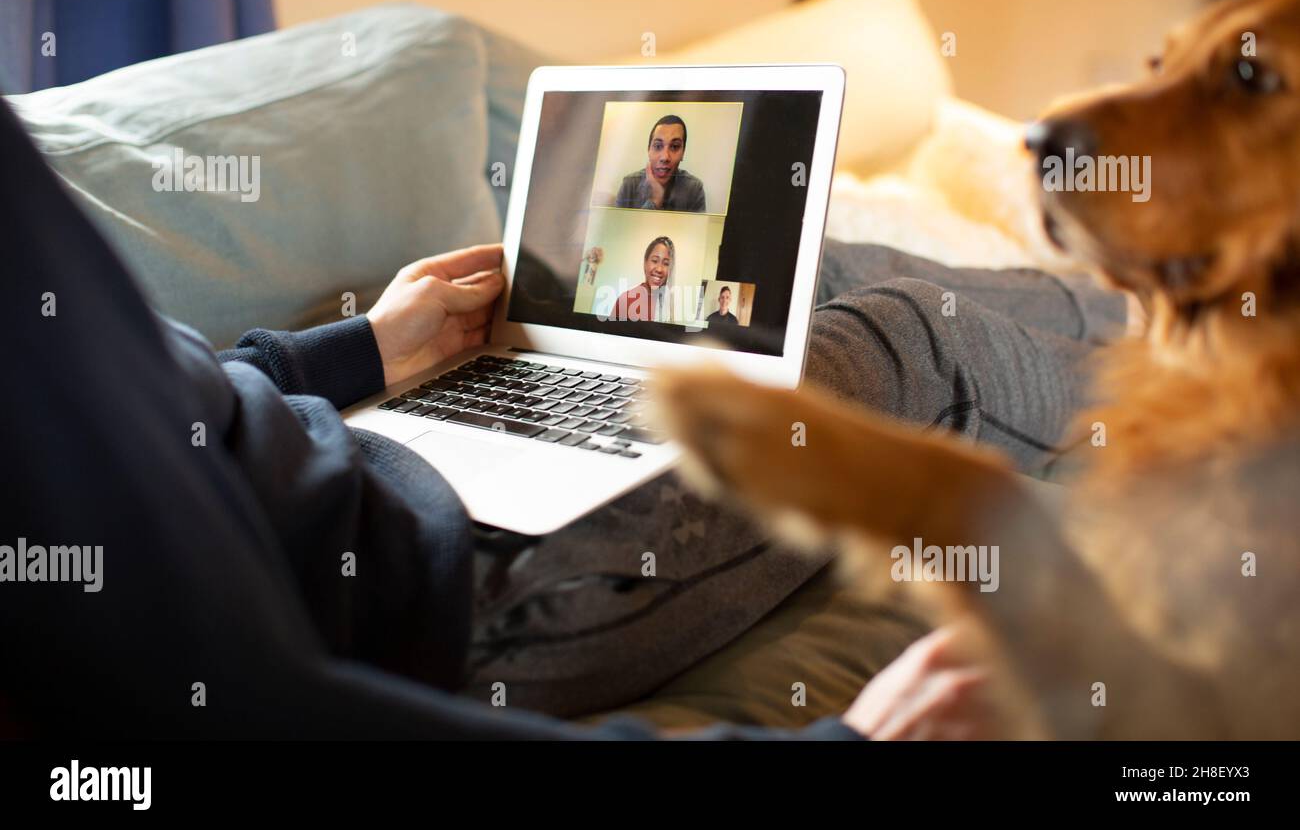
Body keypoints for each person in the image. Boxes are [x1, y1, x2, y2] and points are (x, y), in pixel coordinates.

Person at [2, 94, 1125, 738]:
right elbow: (250, 708)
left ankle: (1143, 295)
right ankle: (1190, 345)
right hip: (462, 591)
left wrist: (355, 348)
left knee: (794, 272)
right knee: (897, 338)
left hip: (391, 447)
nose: (669, 158)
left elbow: (155, 390)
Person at [613, 115, 707, 212]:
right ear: (648, 150)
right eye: (658, 146)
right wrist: (655, 201)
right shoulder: (629, 185)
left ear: (683, 153)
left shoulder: (694, 189)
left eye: (675, 146)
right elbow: (617, 226)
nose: (665, 157)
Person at [611, 236, 678, 323]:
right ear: (645, 263)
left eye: (666, 263)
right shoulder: (626, 300)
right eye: (654, 261)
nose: (659, 269)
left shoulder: (670, 304)